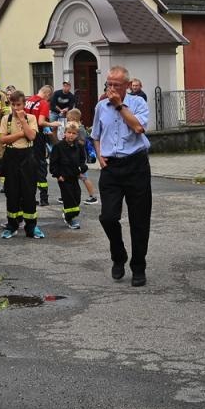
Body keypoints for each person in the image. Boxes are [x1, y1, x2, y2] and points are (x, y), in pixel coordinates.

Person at [90, 66, 153, 286]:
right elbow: (95, 135)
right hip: (111, 168)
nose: (111, 89)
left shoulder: (139, 103)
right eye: (109, 84)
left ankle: (138, 267)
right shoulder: (100, 106)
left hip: (136, 165)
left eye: (116, 85)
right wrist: (99, 155)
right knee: (107, 217)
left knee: (139, 220)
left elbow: (138, 128)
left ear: (127, 86)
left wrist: (119, 105)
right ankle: (119, 256)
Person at [0, 89, 40, 239]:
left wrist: (23, 121)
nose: (16, 108)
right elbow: (3, 140)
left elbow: (32, 136)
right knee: (12, 192)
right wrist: (21, 134)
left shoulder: (31, 118)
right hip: (11, 157)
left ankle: (31, 227)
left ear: (24, 104)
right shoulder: (5, 119)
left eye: (19, 105)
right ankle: (12, 225)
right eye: (13, 105)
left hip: (27, 157)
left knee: (29, 192)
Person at [49, 121, 87, 230]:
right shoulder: (58, 147)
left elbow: (82, 160)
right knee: (69, 198)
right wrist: (57, 175)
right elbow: (53, 163)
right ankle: (70, 218)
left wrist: (81, 170)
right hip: (63, 178)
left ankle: (68, 213)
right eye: (69, 132)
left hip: (74, 177)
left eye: (74, 133)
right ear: (64, 133)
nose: (71, 135)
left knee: (77, 197)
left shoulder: (79, 146)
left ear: (77, 135)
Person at [67, 107, 100, 204]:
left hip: (79, 157)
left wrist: (74, 138)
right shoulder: (75, 129)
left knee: (83, 177)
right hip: (74, 156)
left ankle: (93, 196)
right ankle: (68, 194)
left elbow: (82, 142)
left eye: (69, 120)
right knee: (70, 176)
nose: (68, 122)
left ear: (74, 120)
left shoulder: (80, 130)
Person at [27, 86, 53, 207]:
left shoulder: (28, 100)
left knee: (29, 167)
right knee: (41, 165)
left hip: (26, 136)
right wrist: (53, 123)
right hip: (38, 137)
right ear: (47, 94)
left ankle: (30, 197)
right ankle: (44, 198)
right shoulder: (44, 103)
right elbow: (41, 122)